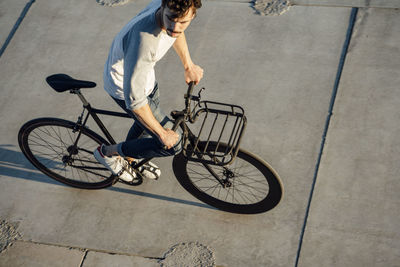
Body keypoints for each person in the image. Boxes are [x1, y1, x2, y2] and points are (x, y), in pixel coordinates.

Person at [94, 0, 203, 182]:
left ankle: (131, 158)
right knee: (174, 145)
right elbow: (135, 101)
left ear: (192, 15)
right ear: (162, 7)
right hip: (127, 89)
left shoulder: (169, 10)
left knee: (144, 125)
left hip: (146, 81)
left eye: (183, 22)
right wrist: (162, 135)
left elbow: (176, 34)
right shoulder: (144, 42)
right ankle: (108, 153)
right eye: (170, 19)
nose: (175, 26)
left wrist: (188, 65)